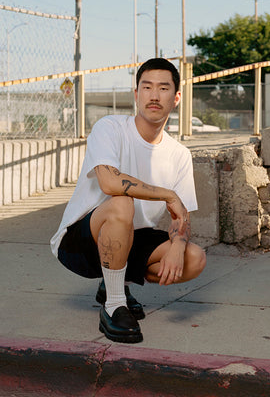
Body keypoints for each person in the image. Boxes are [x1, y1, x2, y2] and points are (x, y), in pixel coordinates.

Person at [51, 58, 207, 343]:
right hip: (81, 242)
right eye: (147, 87)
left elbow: (181, 215)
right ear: (136, 94)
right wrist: (167, 193)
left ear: (176, 98)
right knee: (122, 202)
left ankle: (115, 282)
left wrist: (178, 245)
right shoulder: (110, 127)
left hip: (131, 236)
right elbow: (110, 183)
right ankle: (113, 305)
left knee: (194, 259)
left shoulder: (179, 155)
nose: (154, 95)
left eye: (163, 88)